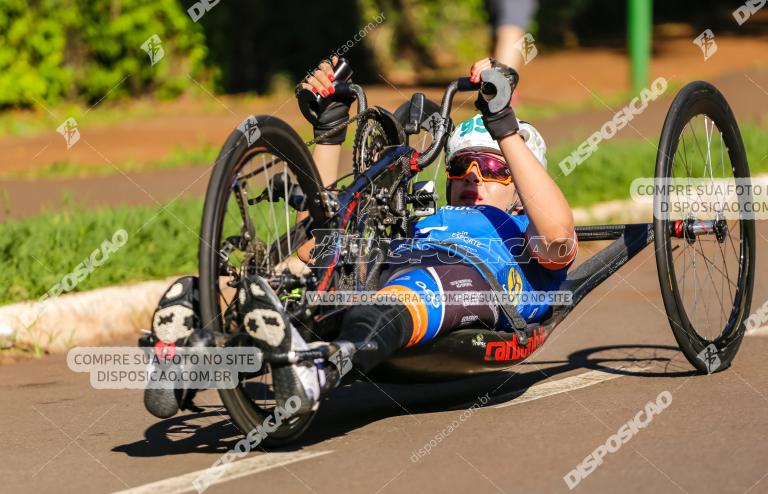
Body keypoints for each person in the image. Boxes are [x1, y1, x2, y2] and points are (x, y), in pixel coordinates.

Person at [143, 56, 576, 419]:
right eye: (460, 167)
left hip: (469, 282)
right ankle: (203, 324)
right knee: (323, 258)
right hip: (389, 264)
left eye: (494, 168)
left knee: (409, 290)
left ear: (521, 187)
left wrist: (502, 124)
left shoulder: (526, 232)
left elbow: (558, 237)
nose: (473, 177)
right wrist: (330, 133)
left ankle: (318, 369)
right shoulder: (427, 213)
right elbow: (323, 233)